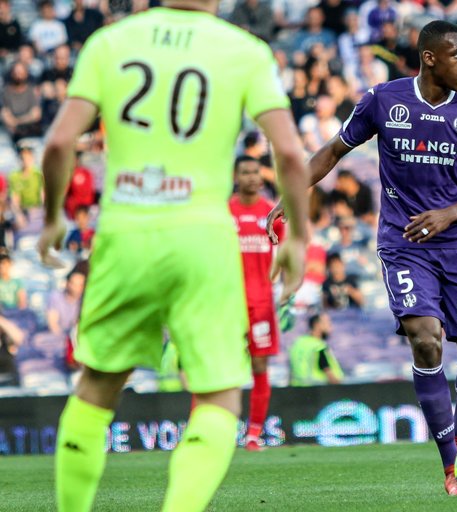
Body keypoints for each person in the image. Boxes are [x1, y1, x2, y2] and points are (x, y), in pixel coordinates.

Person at [40, 2, 310, 510]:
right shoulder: (244, 50)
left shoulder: (110, 41)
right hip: (203, 238)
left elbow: (58, 144)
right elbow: (291, 153)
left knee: (97, 386)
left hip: (124, 234)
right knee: (219, 396)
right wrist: (298, 236)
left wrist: (53, 216)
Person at [267, 21, 457, 496]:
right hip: (405, 244)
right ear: (430, 58)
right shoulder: (383, 100)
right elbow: (334, 150)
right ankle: (451, 465)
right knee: (426, 341)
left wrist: (449, 214)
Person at [229, 155, 289, 452]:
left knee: (259, 365)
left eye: (255, 171)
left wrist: (281, 286)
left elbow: (285, 254)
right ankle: (215, 432)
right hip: (227, 302)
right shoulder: (224, 212)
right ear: (235, 176)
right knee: (221, 368)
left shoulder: (271, 213)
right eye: (245, 172)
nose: (252, 177)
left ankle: (253, 435)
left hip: (261, 302)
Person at [289, 312, 343, 386]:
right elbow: (328, 372)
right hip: (317, 389)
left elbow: (291, 373)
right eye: (328, 323)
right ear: (317, 325)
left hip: (297, 388)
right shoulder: (318, 346)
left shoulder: (298, 344)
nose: (331, 327)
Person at [47, 264, 85, 336]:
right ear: (68, 284)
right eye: (74, 284)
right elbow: (53, 325)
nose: (77, 288)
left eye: (81, 285)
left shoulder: (84, 301)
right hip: (57, 337)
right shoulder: (56, 297)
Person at [9, 143, 42, 211]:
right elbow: (15, 199)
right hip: (23, 210)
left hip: (37, 209)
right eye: (23, 157)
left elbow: (43, 195)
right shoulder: (14, 176)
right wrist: (19, 214)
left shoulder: (38, 174)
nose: (26, 160)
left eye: (28, 157)